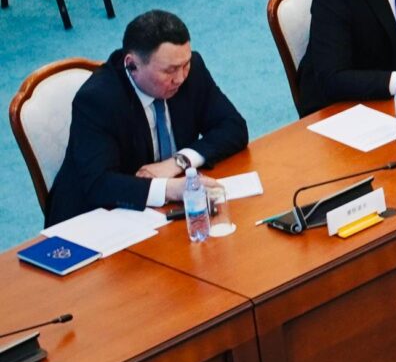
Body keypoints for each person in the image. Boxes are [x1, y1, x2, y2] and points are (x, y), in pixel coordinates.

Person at [48, 11, 249, 225]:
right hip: (97, 221)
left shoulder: (192, 70)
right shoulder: (98, 100)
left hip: (164, 215)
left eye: (185, 65)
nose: (180, 78)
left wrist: (178, 162)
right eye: (170, 70)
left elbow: (234, 127)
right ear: (132, 65)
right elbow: (100, 184)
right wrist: (169, 189)